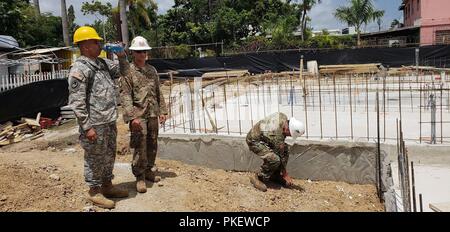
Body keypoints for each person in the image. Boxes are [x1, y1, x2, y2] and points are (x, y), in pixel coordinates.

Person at [68, 26, 129, 209]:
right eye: (95, 42)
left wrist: (121, 56)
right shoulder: (80, 69)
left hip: (108, 120)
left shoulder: (101, 64)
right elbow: (77, 102)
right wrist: (87, 127)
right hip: (95, 123)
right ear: (85, 46)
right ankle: (94, 191)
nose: (99, 44)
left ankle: (107, 186)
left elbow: (124, 72)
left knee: (109, 154)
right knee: (95, 158)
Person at [119, 36, 168, 193]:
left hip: (152, 113)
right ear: (133, 53)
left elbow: (159, 91)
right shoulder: (128, 72)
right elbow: (125, 95)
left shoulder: (151, 70)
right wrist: (132, 117)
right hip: (138, 115)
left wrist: (163, 111)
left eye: (144, 51)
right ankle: (139, 176)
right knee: (140, 145)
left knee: (152, 143)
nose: (142, 54)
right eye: (139, 52)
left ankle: (148, 170)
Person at [246, 112, 305, 192]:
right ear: (287, 129)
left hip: (264, 137)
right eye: (289, 134)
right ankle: (259, 177)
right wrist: (285, 174)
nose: (288, 136)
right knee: (274, 159)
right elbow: (279, 152)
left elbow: (281, 148)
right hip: (254, 140)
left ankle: (275, 175)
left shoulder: (283, 117)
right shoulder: (277, 134)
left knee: (285, 149)